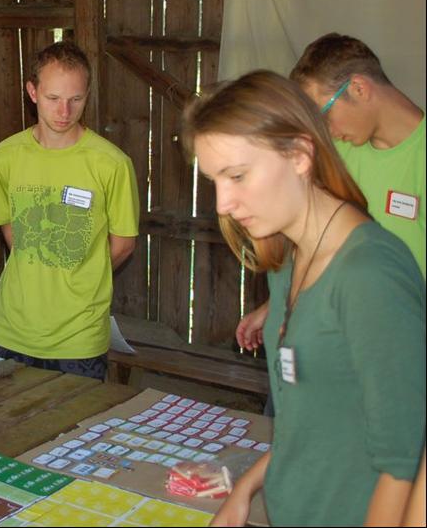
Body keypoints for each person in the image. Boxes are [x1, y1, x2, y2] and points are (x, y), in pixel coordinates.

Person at [182, 71, 425, 526]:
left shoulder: (370, 273)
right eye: (215, 181)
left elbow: (403, 459)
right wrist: (246, 489)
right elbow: (311, 419)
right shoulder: (288, 262)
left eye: (237, 176)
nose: (222, 203)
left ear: (299, 154)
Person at [235, 33, 424, 353]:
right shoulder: (337, 155)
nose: (325, 130)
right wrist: (278, 304)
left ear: (359, 88)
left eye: (323, 114)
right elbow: (315, 241)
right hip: (338, 339)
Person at [0, 41, 139, 380]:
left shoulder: (112, 164)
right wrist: (42, 260)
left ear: (87, 95)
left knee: (77, 416)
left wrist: (82, 272)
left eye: (75, 99)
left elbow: (124, 245)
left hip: (78, 340)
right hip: (10, 330)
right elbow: (9, 226)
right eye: (53, 98)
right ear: (32, 92)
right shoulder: (4, 157)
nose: (64, 111)